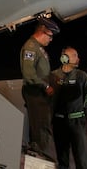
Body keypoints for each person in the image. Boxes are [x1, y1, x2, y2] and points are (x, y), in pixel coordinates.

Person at [20, 16, 60, 160]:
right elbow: (29, 75)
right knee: (40, 128)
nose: (51, 39)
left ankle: (43, 155)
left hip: (40, 93)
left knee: (44, 125)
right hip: (35, 93)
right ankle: (40, 158)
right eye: (50, 36)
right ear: (42, 31)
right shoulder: (30, 48)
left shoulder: (38, 47)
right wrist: (46, 85)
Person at [50, 46, 87, 169]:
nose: (78, 58)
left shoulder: (82, 76)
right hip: (59, 122)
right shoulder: (53, 76)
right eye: (74, 55)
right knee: (62, 158)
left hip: (77, 122)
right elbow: (49, 102)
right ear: (64, 58)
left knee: (82, 158)